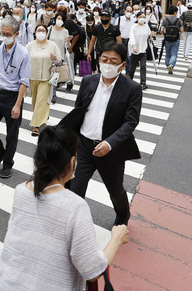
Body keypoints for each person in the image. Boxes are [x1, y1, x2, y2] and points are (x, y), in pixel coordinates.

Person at [0, 126, 130, 291]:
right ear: (72, 162)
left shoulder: (21, 191)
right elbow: (93, 271)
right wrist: (116, 238)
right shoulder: (75, 207)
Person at [60, 42, 142, 226]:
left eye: (114, 61)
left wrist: (109, 143)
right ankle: (73, 224)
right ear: (99, 60)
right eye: (104, 59)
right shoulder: (88, 81)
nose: (108, 64)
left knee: (115, 190)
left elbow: (131, 122)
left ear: (122, 65)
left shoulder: (132, 89)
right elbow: (78, 112)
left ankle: (122, 216)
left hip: (111, 150)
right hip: (84, 147)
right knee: (75, 187)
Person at [0, 17, 30, 178]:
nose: (4, 36)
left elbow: (24, 81)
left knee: (12, 134)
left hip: (13, 97)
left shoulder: (23, 53)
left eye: (8, 34)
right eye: (2, 33)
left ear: (16, 34)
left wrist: (18, 104)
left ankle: (8, 163)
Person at [27, 24, 61, 137]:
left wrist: (54, 58)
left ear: (46, 33)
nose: (40, 32)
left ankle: (35, 125)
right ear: (35, 32)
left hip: (47, 77)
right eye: (38, 30)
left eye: (43, 30)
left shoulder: (52, 45)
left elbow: (59, 60)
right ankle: (42, 115)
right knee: (35, 100)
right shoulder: (30, 45)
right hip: (32, 76)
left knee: (41, 99)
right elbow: (24, 60)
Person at [127, 11, 152, 90]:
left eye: (144, 17)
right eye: (140, 17)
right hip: (134, 50)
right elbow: (132, 37)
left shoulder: (146, 27)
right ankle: (129, 81)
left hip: (143, 49)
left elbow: (149, 35)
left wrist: (151, 36)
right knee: (132, 67)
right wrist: (134, 46)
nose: (142, 19)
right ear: (137, 18)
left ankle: (143, 83)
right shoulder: (134, 27)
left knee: (143, 66)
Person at [115, 5, 135, 74]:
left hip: (130, 40)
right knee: (120, 57)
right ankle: (118, 72)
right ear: (124, 11)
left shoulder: (134, 20)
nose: (129, 12)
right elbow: (115, 29)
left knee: (128, 58)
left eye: (130, 11)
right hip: (121, 40)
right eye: (127, 11)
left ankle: (128, 73)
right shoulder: (119, 19)